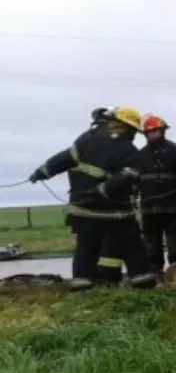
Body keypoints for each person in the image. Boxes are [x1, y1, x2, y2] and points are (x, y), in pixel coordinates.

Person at [27, 107, 157, 290]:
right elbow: (126, 177)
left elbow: (65, 158)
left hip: (84, 209)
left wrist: (42, 172)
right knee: (132, 247)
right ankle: (142, 281)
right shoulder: (132, 152)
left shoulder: (88, 138)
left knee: (86, 249)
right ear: (131, 129)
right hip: (117, 213)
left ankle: (82, 285)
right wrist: (103, 190)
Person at [136, 114, 176, 273]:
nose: (152, 135)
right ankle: (155, 270)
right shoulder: (141, 155)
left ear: (163, 132)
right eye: (149, 133)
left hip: (172, 205)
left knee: (174, 238)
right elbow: (135, 178)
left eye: (155, 132)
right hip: (149, 206)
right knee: (151, 238)